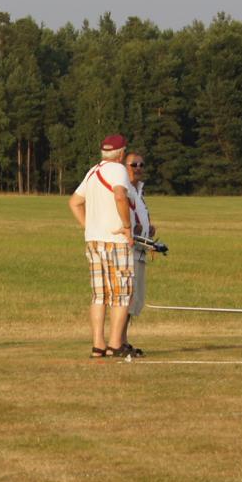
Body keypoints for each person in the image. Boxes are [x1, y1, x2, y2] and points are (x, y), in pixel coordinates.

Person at [67, 133, 135, 358]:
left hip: (94, 241)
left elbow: (75, 202)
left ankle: (98, 345)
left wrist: (90, 227)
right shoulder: (118, 170)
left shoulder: (92, 171)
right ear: (121, 153)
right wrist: (127, 226)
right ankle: (115, 344)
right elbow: (120, 196)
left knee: (99, 295)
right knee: (121, 293)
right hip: (115, 241)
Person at [119, 150, 154, 357]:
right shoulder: (125, 190)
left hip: (141, 251)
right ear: (125, 168)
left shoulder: (139, 190)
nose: (138, 168)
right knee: (127, 298)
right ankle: (119, 342)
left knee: (134, 300)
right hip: (128, 250)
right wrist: (135, 229)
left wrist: (149, 229)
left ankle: (123, 340)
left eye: (141, 165)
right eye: (134, 165)